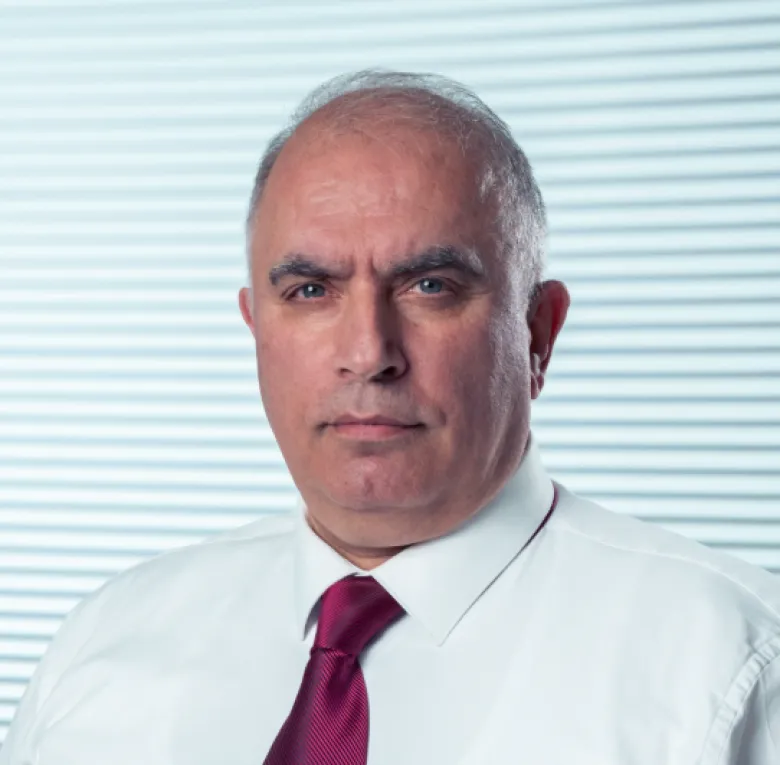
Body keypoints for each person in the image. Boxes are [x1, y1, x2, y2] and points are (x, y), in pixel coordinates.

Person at [1, 69, 779, 765]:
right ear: (256, 329)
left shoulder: (728, 667)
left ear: (537, 333)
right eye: (311, 290)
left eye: (430, 285)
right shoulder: (99, 650)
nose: (368, 353)